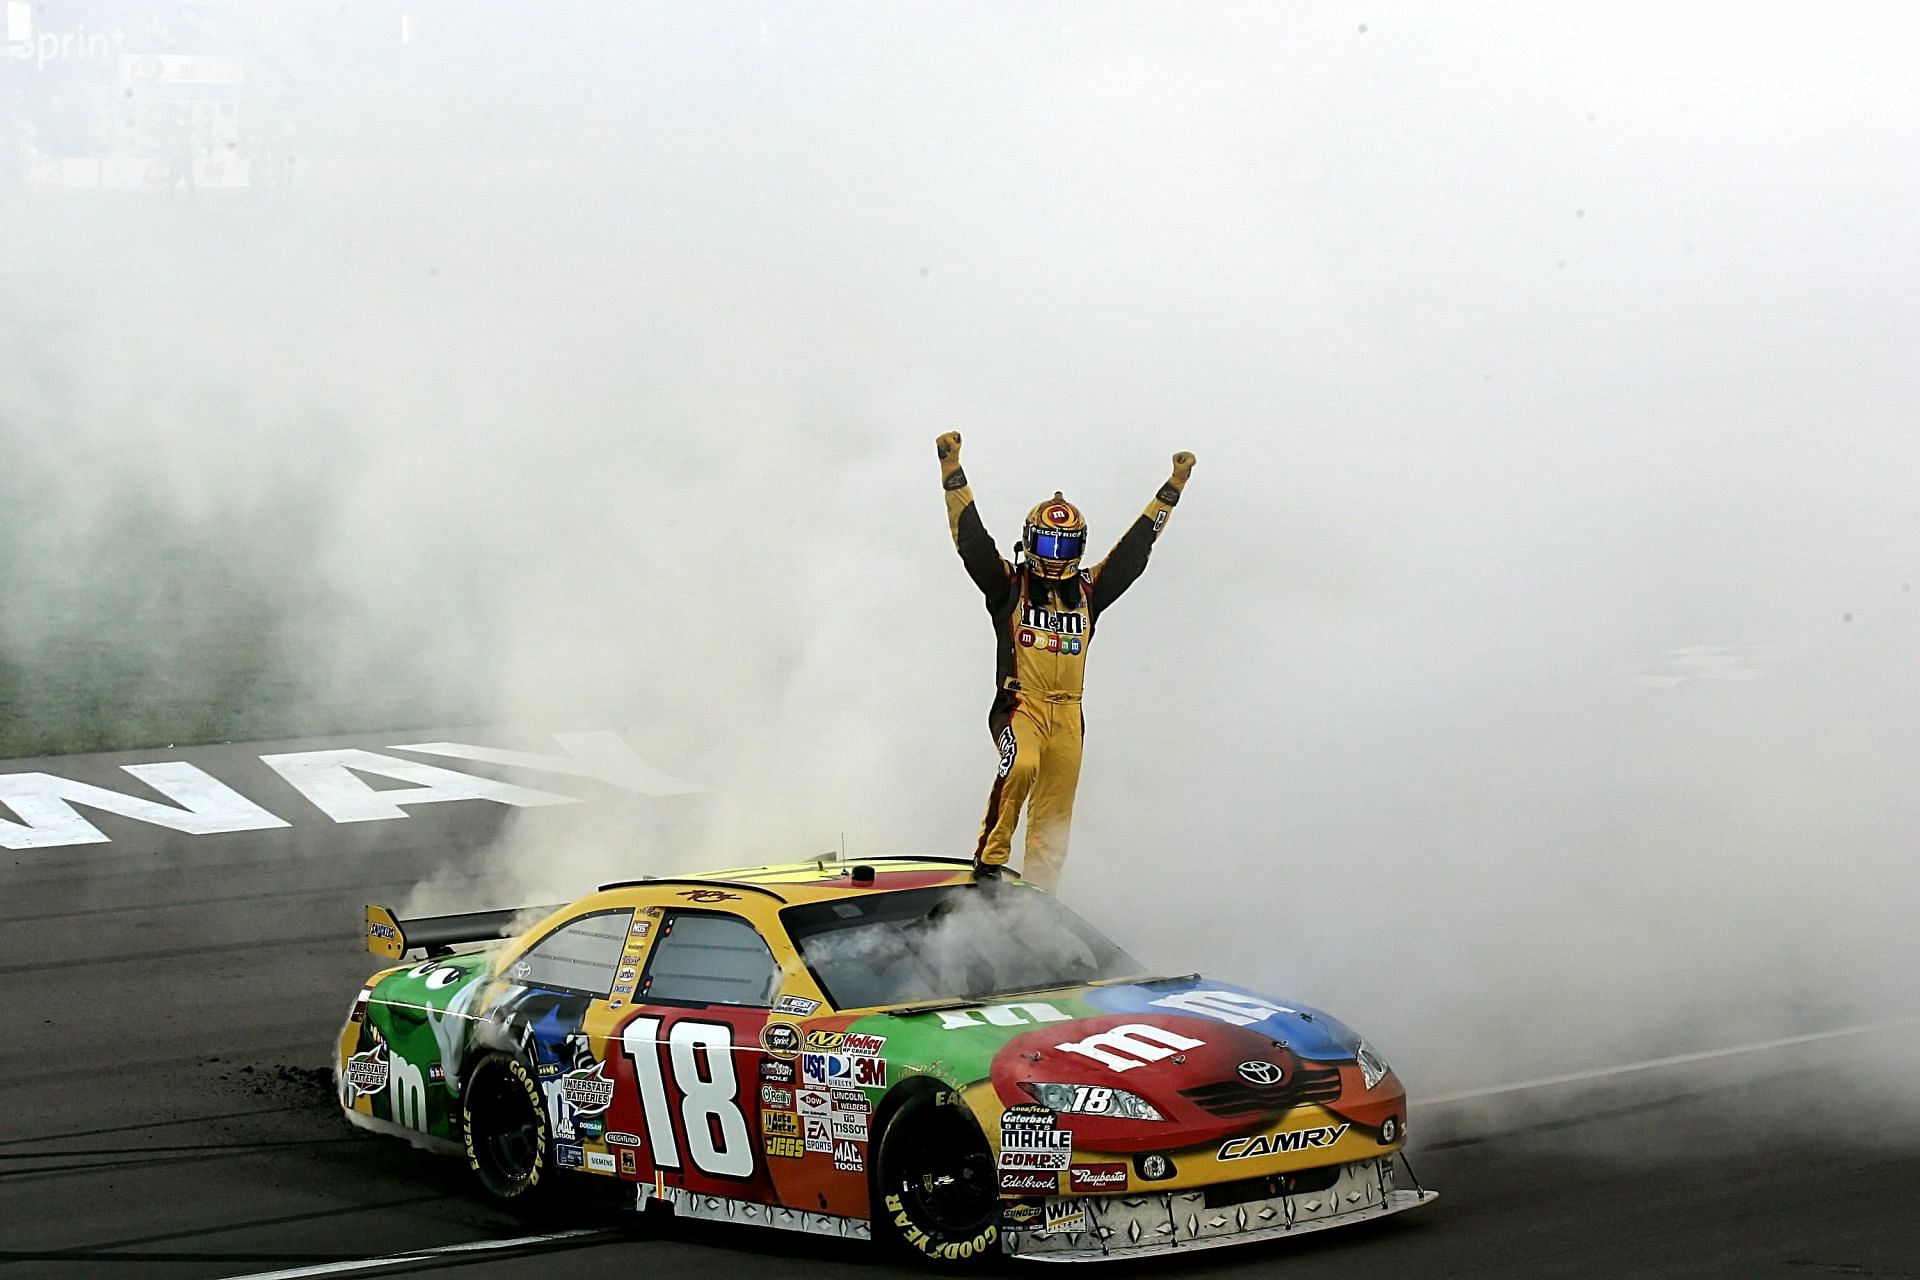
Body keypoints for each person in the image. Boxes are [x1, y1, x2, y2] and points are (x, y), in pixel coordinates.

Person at [936, 432, 1195, 891]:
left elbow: (1134, 553)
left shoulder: (1090, 592)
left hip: (1070, 712)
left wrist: (1172, 488)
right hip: (1021, 705)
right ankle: (989, 864)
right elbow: (972, 544)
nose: (1057, 559)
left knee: (1056, 812)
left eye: (1067, 548)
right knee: (1020, 766)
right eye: (1050, 546)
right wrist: (952, 471)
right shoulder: (1008, 586)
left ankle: (1040, 898)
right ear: (1030, 541)